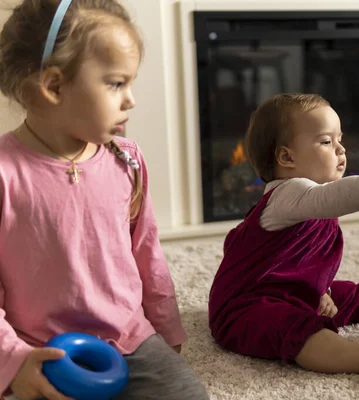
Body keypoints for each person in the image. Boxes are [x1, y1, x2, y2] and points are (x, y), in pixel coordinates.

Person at [0, 1, 208, 399]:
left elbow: (147, 252)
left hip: (126, 337)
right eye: (115, 83)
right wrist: (14, 360)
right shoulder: (6, 173)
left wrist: (166, 331)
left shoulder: (125, 158)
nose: (130, 99)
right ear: (55, 86)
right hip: (36, 347)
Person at [208, 92, 359, 377]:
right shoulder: (288, 193)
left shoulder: (311, 200)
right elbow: (336, 197)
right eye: (326, 141)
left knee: (355, 295)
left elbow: (298, 264)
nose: (341, 150)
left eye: (340, 139)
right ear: (287, 157)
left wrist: (323, 289)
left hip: (295, 293)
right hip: (244, 310)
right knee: (298, 330)